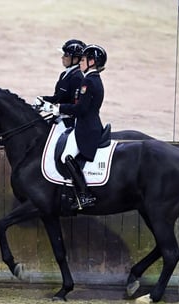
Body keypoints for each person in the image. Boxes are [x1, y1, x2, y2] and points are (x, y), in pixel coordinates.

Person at [47, 44, 107, 210]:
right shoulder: (93, 79)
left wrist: (58, 108)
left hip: (86, 128)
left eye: (83, 59)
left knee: (66, 156)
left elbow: (81, 109)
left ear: (92, 61)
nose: (80, 62)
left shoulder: (88, 81)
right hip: (87, 125)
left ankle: (84, 194)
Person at [33, 39, 86, 127]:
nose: (62, 57)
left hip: (69, 123)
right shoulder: (64, 74)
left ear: (76, 59)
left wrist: (52, 107)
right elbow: (58, 98)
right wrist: (43, 99)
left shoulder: (78, 78)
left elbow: (75, 106)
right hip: (59, 118)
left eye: (66, 55)